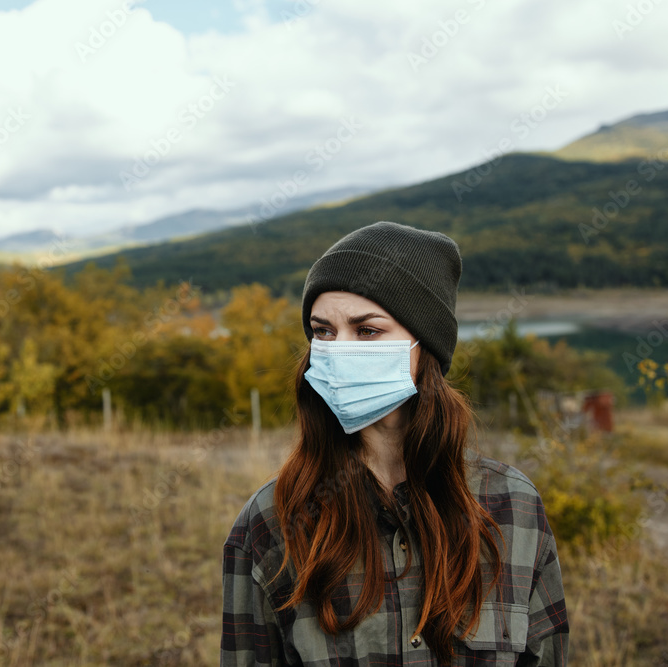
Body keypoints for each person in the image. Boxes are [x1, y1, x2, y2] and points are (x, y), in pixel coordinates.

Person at [221, 221, 569, 666]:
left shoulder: (512, 506)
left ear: (425, 348)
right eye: (322, 332)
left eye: (366, 331)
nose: (338, 350)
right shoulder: (271, 521)